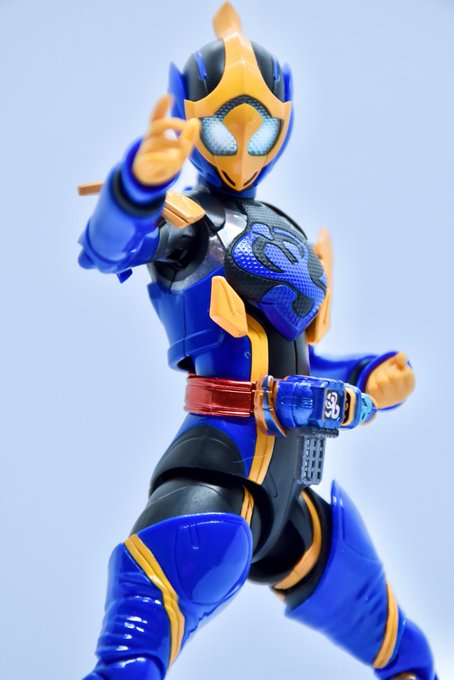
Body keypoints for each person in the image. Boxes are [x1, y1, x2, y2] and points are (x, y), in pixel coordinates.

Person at [78, 3, 436, 679]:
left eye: (261, 127)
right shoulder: (183, 222)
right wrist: (134, 188)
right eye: (223, 126)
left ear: (284, 124)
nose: (242, 147)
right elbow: (106, 246)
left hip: (294, 501)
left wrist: (368, 376)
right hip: (218, 478)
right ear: (193, 119)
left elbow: (302, 360)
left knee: (403, 651)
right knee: (132, 656)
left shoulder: (282, 230)